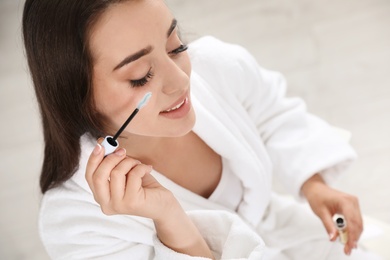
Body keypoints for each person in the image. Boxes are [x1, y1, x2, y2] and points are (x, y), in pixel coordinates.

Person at [22, 0, 382, 259]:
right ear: (76, 94)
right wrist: (169, 219)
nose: (180, 81)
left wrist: (312, 184)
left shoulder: (216, 65)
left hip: (298, 237)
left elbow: (272, 114)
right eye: (140, 76)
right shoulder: (76, 223)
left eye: (176, 45)